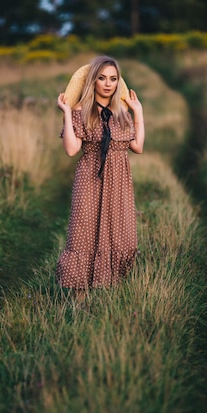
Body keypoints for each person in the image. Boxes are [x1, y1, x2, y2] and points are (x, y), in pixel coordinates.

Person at [56, 55, 145, 300]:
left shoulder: (122, 113)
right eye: (102, 78)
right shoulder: (81, 111)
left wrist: (138, 112)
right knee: (83, 233)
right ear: (93, 80)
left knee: (121, 235)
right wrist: (66, 112)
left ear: (118, 82)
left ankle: (109, 296)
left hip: (119, 182)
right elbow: (72, 149)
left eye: (113, 79)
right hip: (90, 179)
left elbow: (137, 146)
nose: (108, 84)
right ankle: (79, 302)